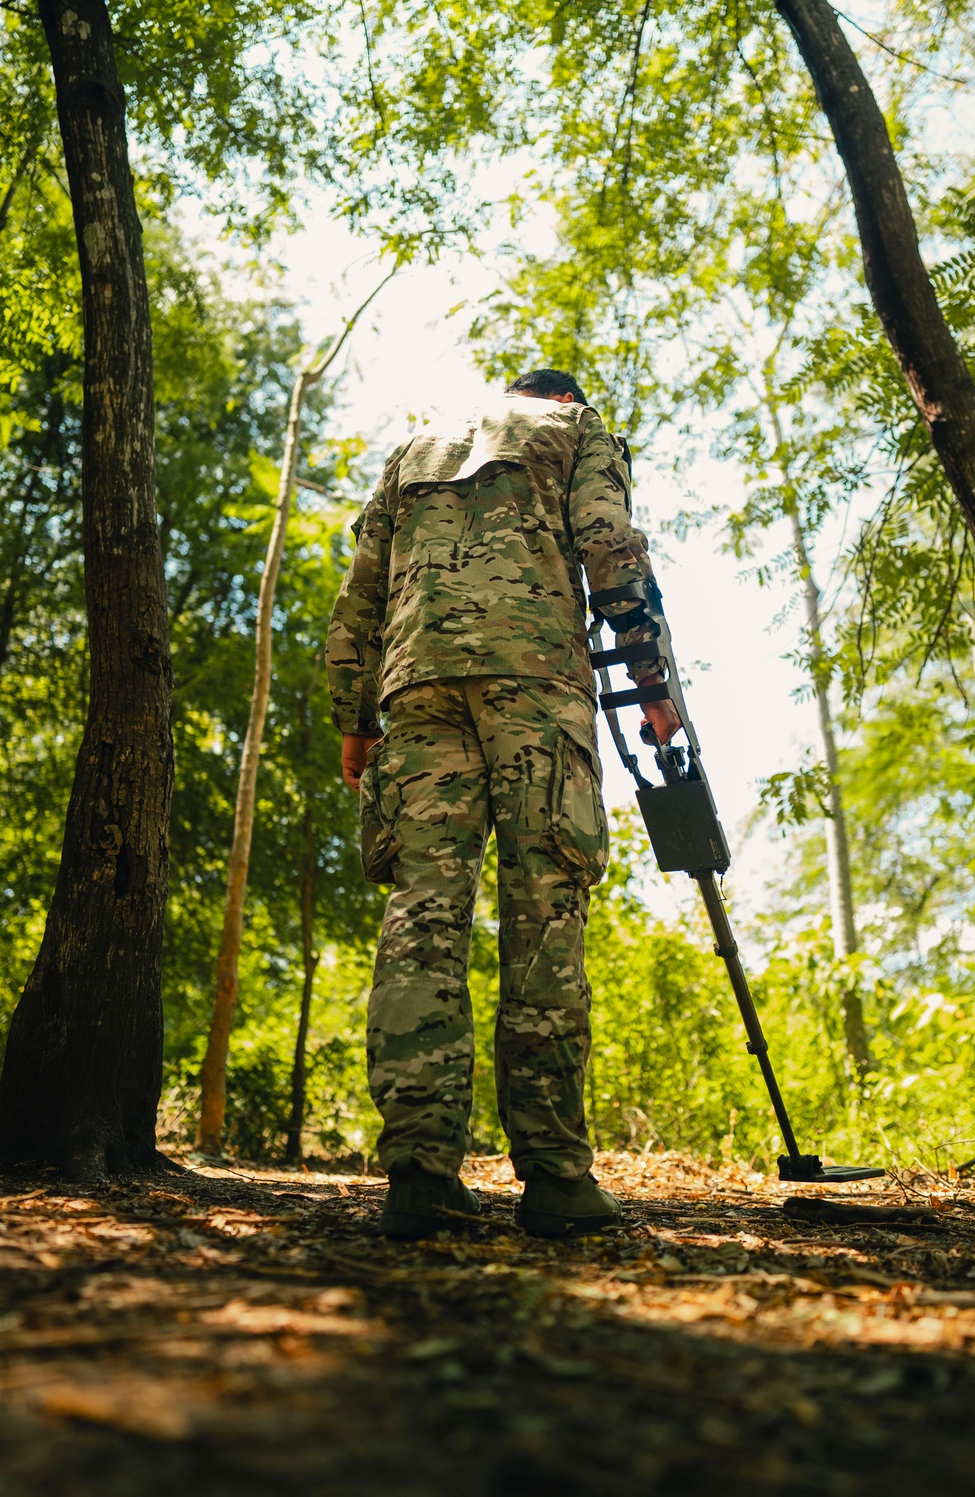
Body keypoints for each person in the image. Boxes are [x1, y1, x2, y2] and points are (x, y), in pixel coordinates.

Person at [325, 369, 679, 1239]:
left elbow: (361, 589)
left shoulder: (418, 443)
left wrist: (353, 717)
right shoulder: (576, 427)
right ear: (563, 398)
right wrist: (651, 675)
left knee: (421, 915)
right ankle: (555, 1177)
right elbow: (608, 541)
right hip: (535, 683)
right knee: (545, 909)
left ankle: (419, 1170)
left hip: (416, 688)